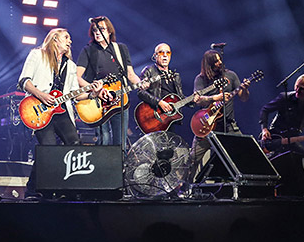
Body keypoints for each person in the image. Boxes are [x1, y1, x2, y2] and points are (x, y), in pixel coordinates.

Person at [19, 29, 97, 195]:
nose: (70, 41)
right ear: (55, 39)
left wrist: (92, 93)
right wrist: (41, 95)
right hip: (40, 107)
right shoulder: (37, 55)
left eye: (70, 38)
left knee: (74, 144)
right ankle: (34, 189)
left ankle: (65, 186)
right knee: (47, 148)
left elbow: (76, 94)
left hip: (62, 111)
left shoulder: (71, 66)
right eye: (66, 37)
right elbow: (24, 81)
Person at [76, 16, 144, 146]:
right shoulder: (88, 50)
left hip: (120, 100)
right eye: (94, 29)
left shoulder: (120, 49)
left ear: (109, 31)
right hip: (98, 101)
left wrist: (141, 83)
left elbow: (130, 74)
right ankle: (102, 165)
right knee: (104, 139)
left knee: (120, 142)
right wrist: (95, 89)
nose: (97, 32)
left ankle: (120, 165)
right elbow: (77, 77)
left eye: (101, 29)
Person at [190, 49, 252, 177]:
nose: (219, 62)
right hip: (207, 126)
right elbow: (198, 101)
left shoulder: (231, 76)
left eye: (220, 60)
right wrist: (215, 98)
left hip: (228, 125)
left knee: (244, 151)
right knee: (193, 159)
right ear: (209, 64)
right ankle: (184, 188)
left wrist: (245, 89)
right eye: (216, 61)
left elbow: (243, 98)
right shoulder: (201, 79)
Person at [259, 73, 304, 155]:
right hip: (275, 137)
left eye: (301, 88)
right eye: (296, 86)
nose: (297, 90)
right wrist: (264, 129)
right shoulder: (285, 97)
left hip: (291, 139)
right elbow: (265, 110)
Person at [135, 43, 185, 131]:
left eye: (168, 53)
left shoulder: (175, 76)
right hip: (153, 116)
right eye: (161, 53)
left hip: (169, 118)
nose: (165, 56)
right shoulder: (149, 71)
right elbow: (140, 92)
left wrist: (194, 100)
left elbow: (180, 97)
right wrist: (159, 102)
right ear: (155, 56)